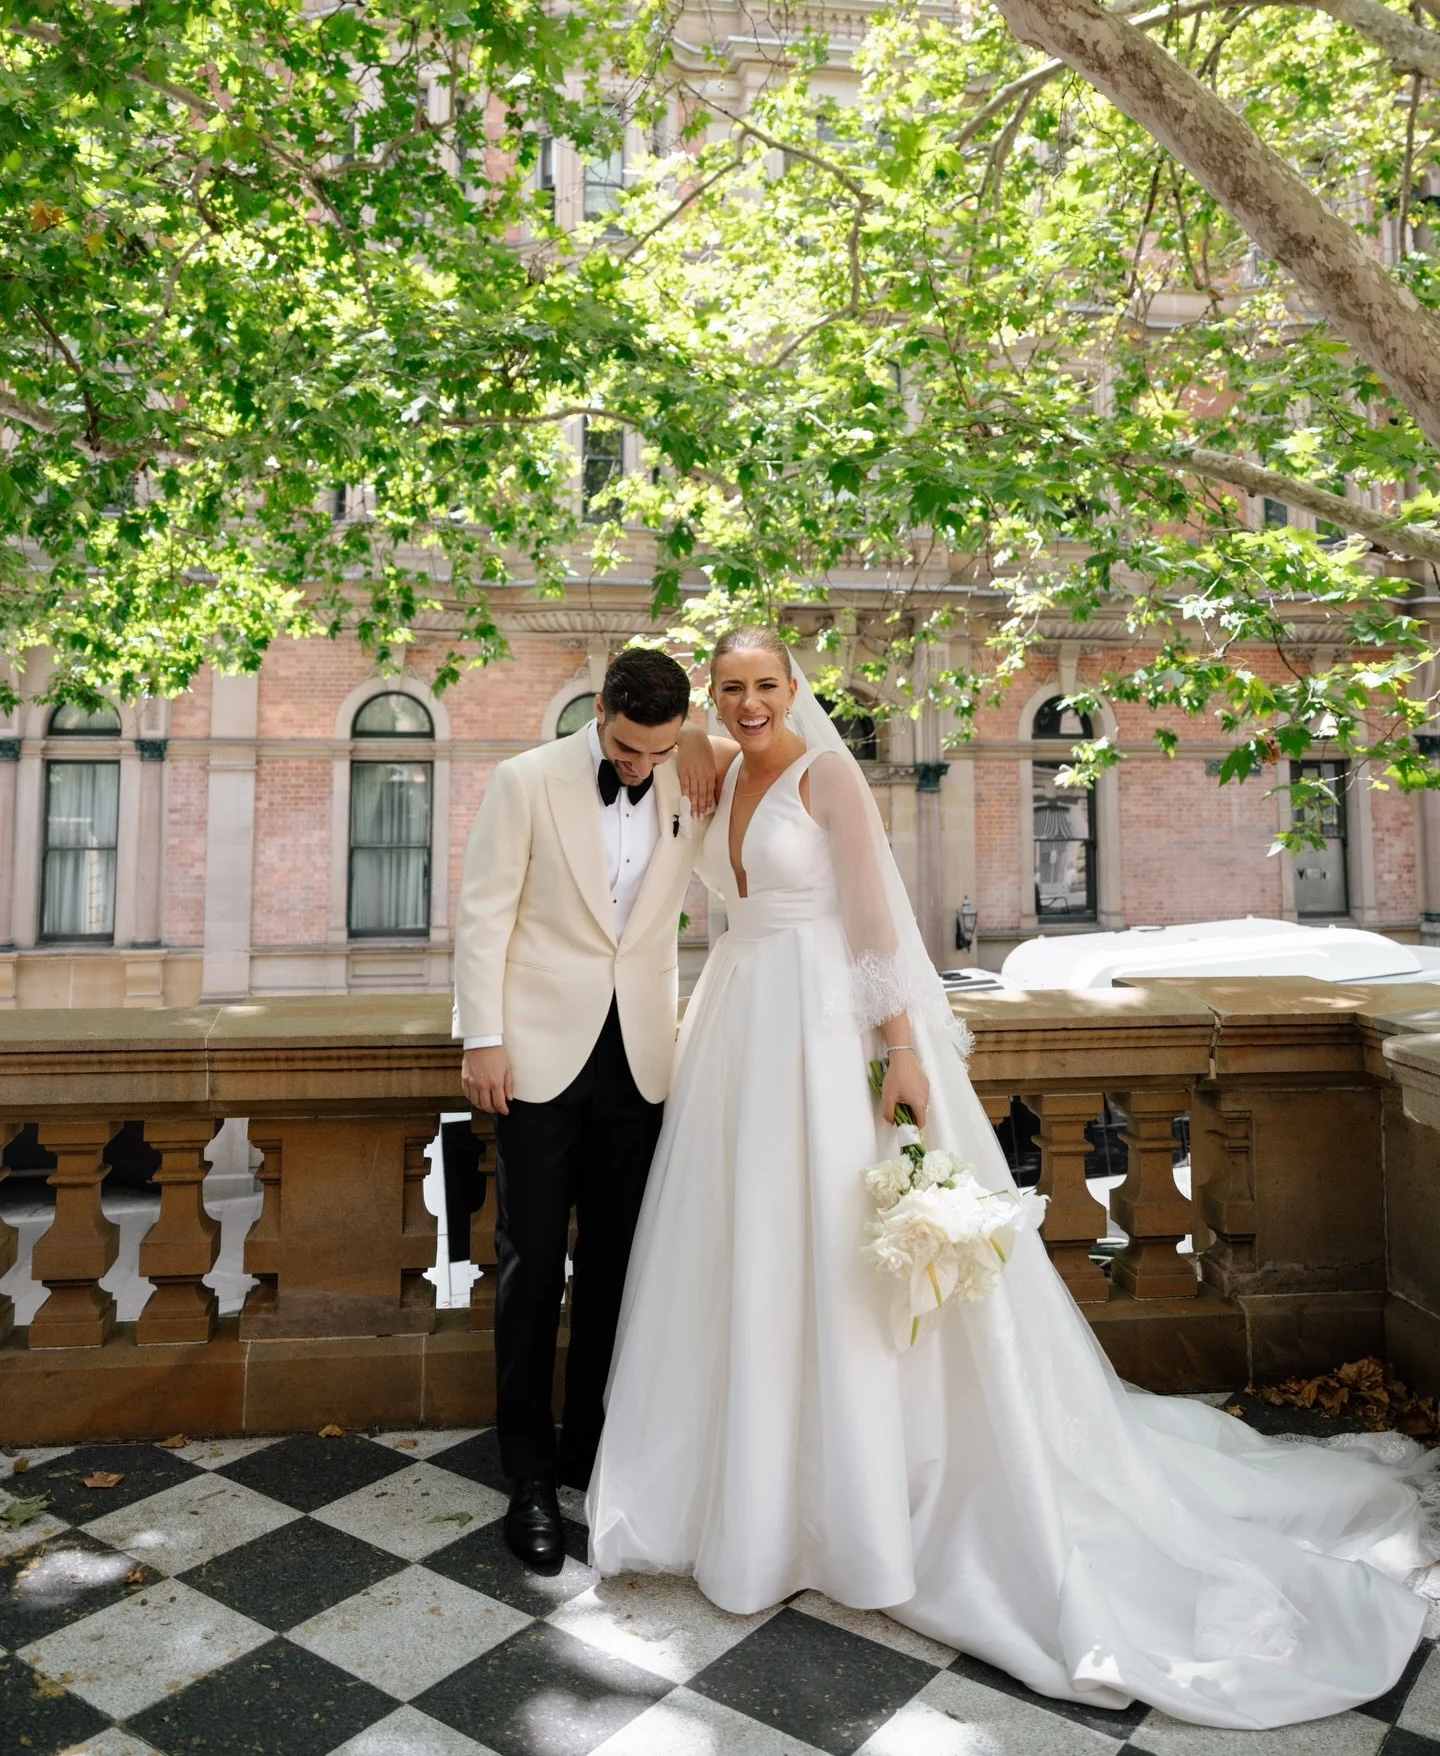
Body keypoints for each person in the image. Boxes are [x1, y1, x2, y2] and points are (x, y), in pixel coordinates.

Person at [587, 624, 1440, 1731]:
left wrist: (899, 1050)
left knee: (847, 1261)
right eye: (731, 688)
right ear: (713, 695)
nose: (750, 703)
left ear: (794, 690)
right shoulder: (711, 765)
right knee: (741, 1251)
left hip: (820, 1034)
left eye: (766, 686)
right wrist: (697, 733)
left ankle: (864, 1504)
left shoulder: (828, 772)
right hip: (735, 1034)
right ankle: (744, 1494)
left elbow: (876, 921)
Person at [454, 648, 714, 1575]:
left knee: (615, 1260)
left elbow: (769, 744)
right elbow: (484, 913)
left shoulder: (691, 768)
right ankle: (526, 1475)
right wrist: (480, 1037)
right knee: (530, 1260)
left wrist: (707, 742)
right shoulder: (523, 781)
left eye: (657, 751)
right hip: (532, 1052)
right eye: (626, 747)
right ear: (597, 713)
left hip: (642, 1054)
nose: (639, 766)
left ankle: (589, 1451)